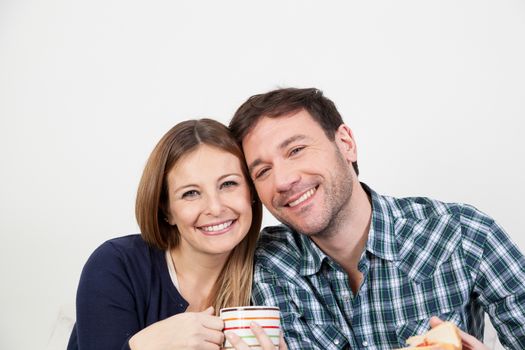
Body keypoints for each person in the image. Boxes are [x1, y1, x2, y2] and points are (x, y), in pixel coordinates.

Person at [229, 87, 525, 350]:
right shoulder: (268, 264)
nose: (282, 180)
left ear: (346, 143)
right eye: (262, 171)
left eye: (296, 150)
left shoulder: (463, 232)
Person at [67, 119, 285, 350]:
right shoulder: (117, 265)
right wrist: (143, 346)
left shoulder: (271, 272)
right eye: (190, 193)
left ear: (251, 192)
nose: (215, 207)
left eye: (228, 184)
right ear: (166, 210)